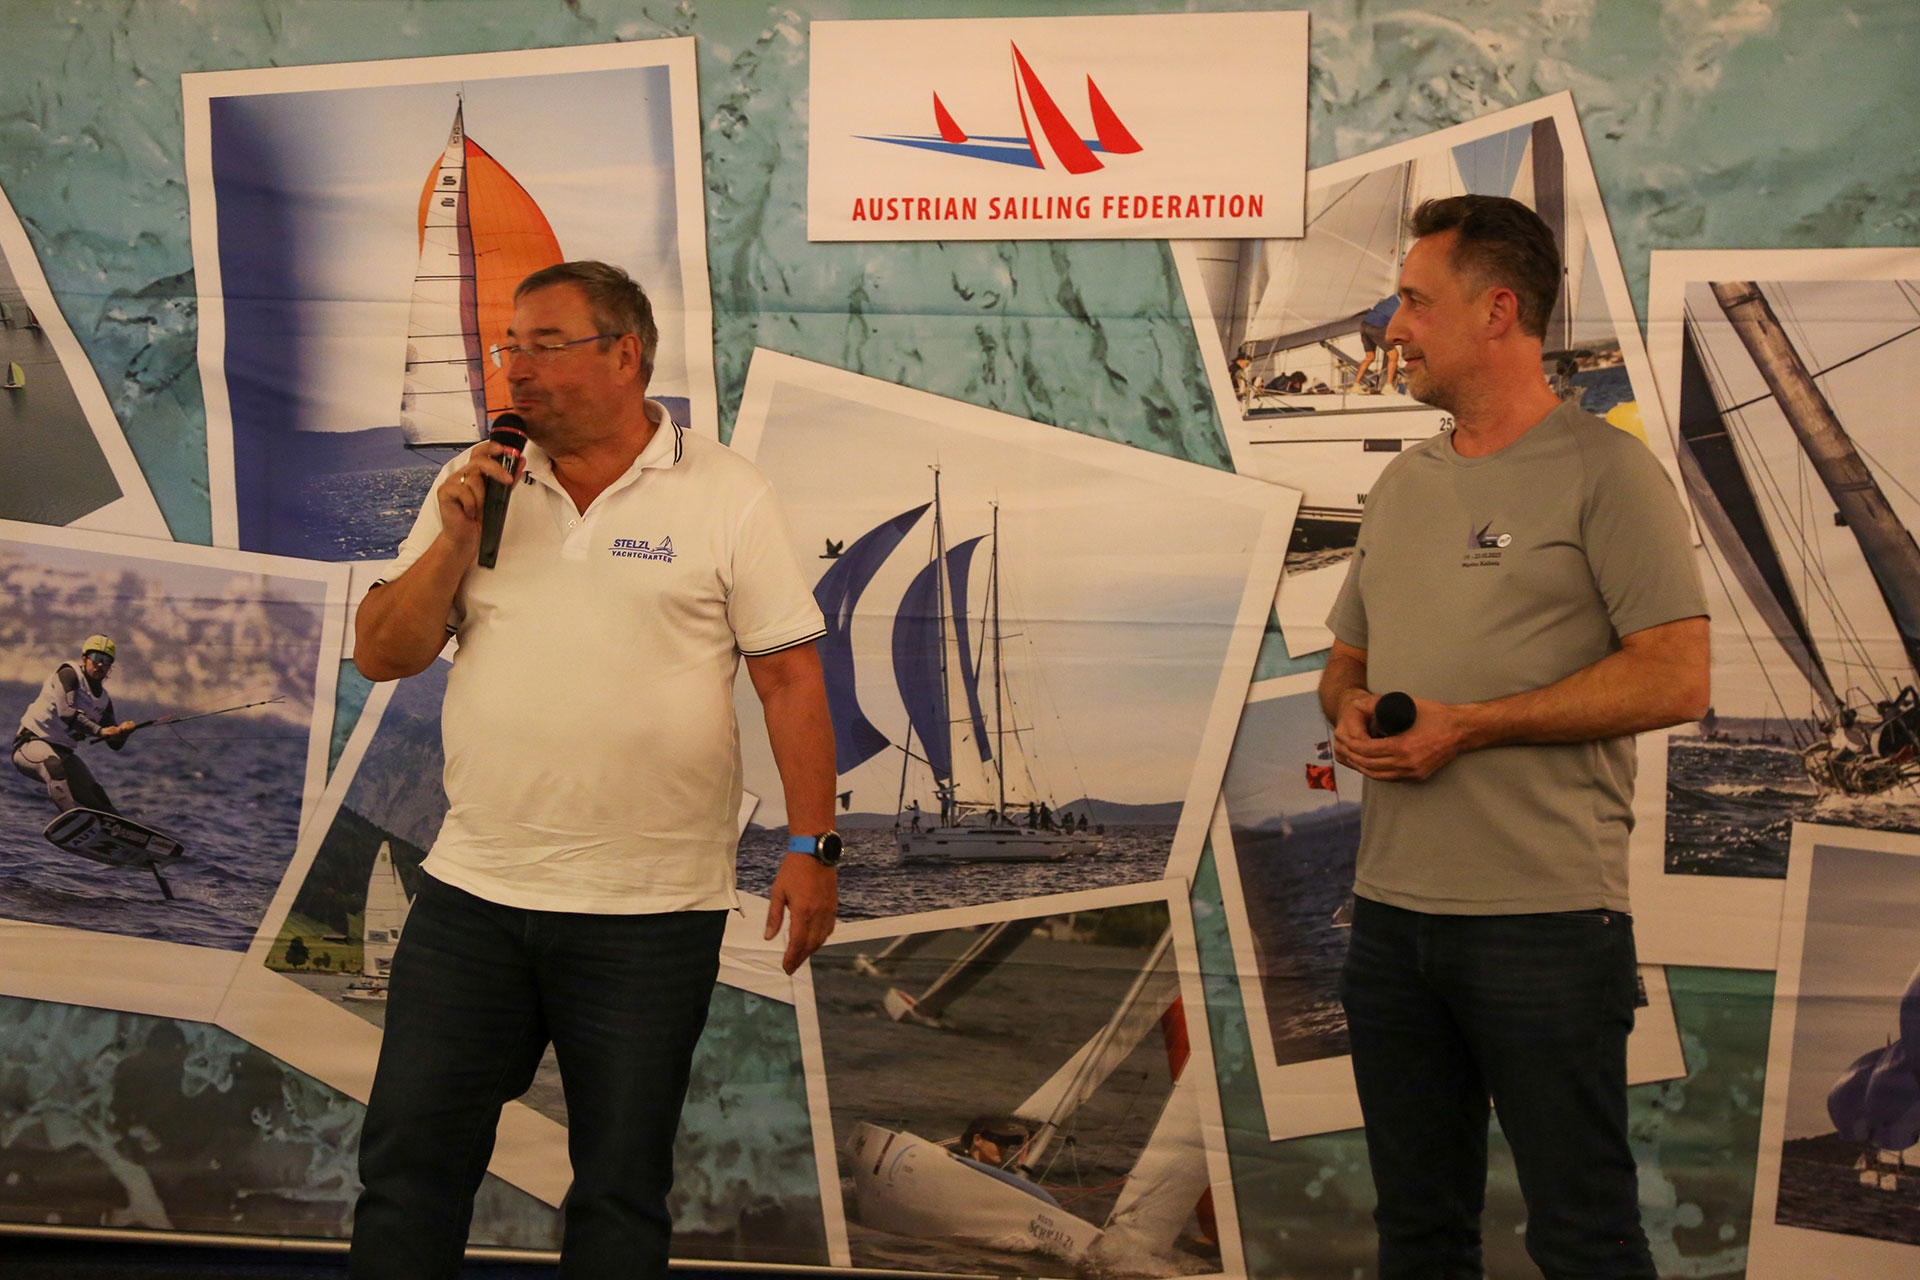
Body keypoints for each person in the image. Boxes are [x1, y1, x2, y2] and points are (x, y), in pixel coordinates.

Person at [348, 261, 839, 1280]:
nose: (516, 369)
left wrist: (811, 846)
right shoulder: (478, 482)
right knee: (408, 1171)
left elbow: (790, 679)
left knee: (619, 1188)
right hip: (475, 897)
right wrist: (453, 541)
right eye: (510, 347)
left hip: (650, 914)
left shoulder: (726, 491)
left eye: (546, 345)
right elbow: (383, 653)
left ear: (625, 354)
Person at [1319, 195, 1708, 1280]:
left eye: (1413, 301)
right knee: (1418, 1236)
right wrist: (1346, 706)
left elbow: (1677, 677)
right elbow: (1346, 661)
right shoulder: (1401, 482)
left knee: (1584, 1238)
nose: (1392, 326)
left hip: (1547, 927)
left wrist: (1472, 728)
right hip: (1389, 924)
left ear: (1497, 311)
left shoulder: (1607, 470)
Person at [11, 634, 136, 815]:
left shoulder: (104, 701)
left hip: (64, 755)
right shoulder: (69, 674)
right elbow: (66, 713)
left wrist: (123, 732)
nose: (100, 664)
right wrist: (101, 731)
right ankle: (72, 818)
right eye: (95, 657)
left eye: (106, 660)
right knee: (54, 767)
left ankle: (116, 828)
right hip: (30, 744)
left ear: (110, 667)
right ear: (84, 658)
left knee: (100, 799)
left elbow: (114, 744)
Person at [1353, 294, 1401, 392]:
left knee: (1370, 357)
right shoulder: (1401, 306)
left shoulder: (1391, 299)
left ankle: (1355, 385)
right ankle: (1388, 387)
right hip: (1377, 327)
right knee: (1394, 355)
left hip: (1364, 325)